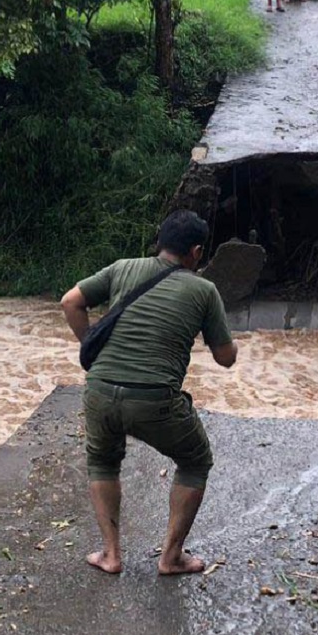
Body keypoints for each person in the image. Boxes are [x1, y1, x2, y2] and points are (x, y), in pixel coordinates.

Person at [60, 210, 238, 577]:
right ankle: (171, 557)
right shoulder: (204, 290)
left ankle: (111, 555)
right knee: (195, 461)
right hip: (155, 399)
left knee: (103, 462)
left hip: (99, 390)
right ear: (197, 252)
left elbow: (70, 301)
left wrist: (92, 349)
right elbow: (225, 359)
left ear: (159, 241)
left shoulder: (122, 267)